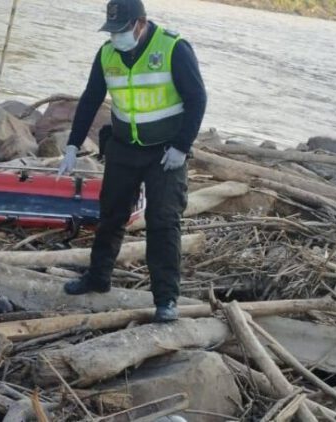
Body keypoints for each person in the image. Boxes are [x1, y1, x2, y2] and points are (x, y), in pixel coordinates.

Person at [57, 0, 207, 322]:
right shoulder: (107, 54)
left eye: (122, 30)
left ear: (141, 23)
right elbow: (90, 99)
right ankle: (98, 278)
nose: (116, 37)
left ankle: (166, 300)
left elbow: (197, 98)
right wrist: (72, 144)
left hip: (166, 153)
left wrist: (182, 146)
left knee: (164, 222)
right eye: (112, 30)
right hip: (124, 148)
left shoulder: (173, 48)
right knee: (110, 214)